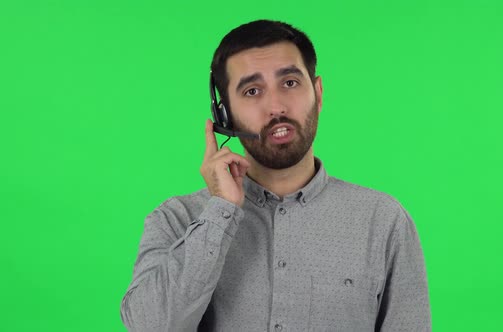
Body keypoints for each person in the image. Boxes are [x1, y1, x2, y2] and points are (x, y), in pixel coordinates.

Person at [120, 19, 431, 331]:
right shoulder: (176, 219)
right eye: (252, 90)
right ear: (224, 115)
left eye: (290, 83)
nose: (276, 106)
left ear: (319, 93)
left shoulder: (384, 221)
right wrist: (219, 212)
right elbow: (148, 325)